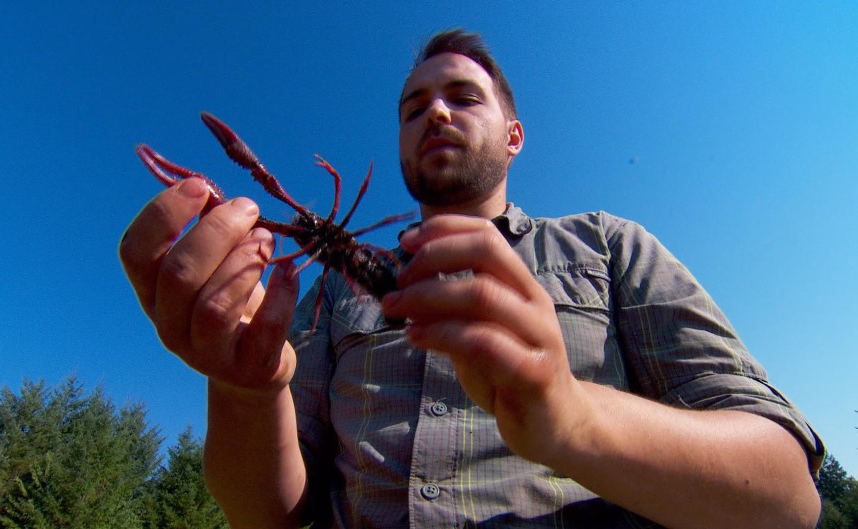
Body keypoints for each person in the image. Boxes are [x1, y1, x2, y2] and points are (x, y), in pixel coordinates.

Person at [120, 29, 824, 528]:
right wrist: (244, 392)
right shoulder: (326, 293)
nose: (436, 111)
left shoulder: (609, 248)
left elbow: (787, 499)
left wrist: (571, 417)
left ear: (514, 135)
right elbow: (268, 514)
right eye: (413, 106)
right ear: (397, 143)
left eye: (463, 96)